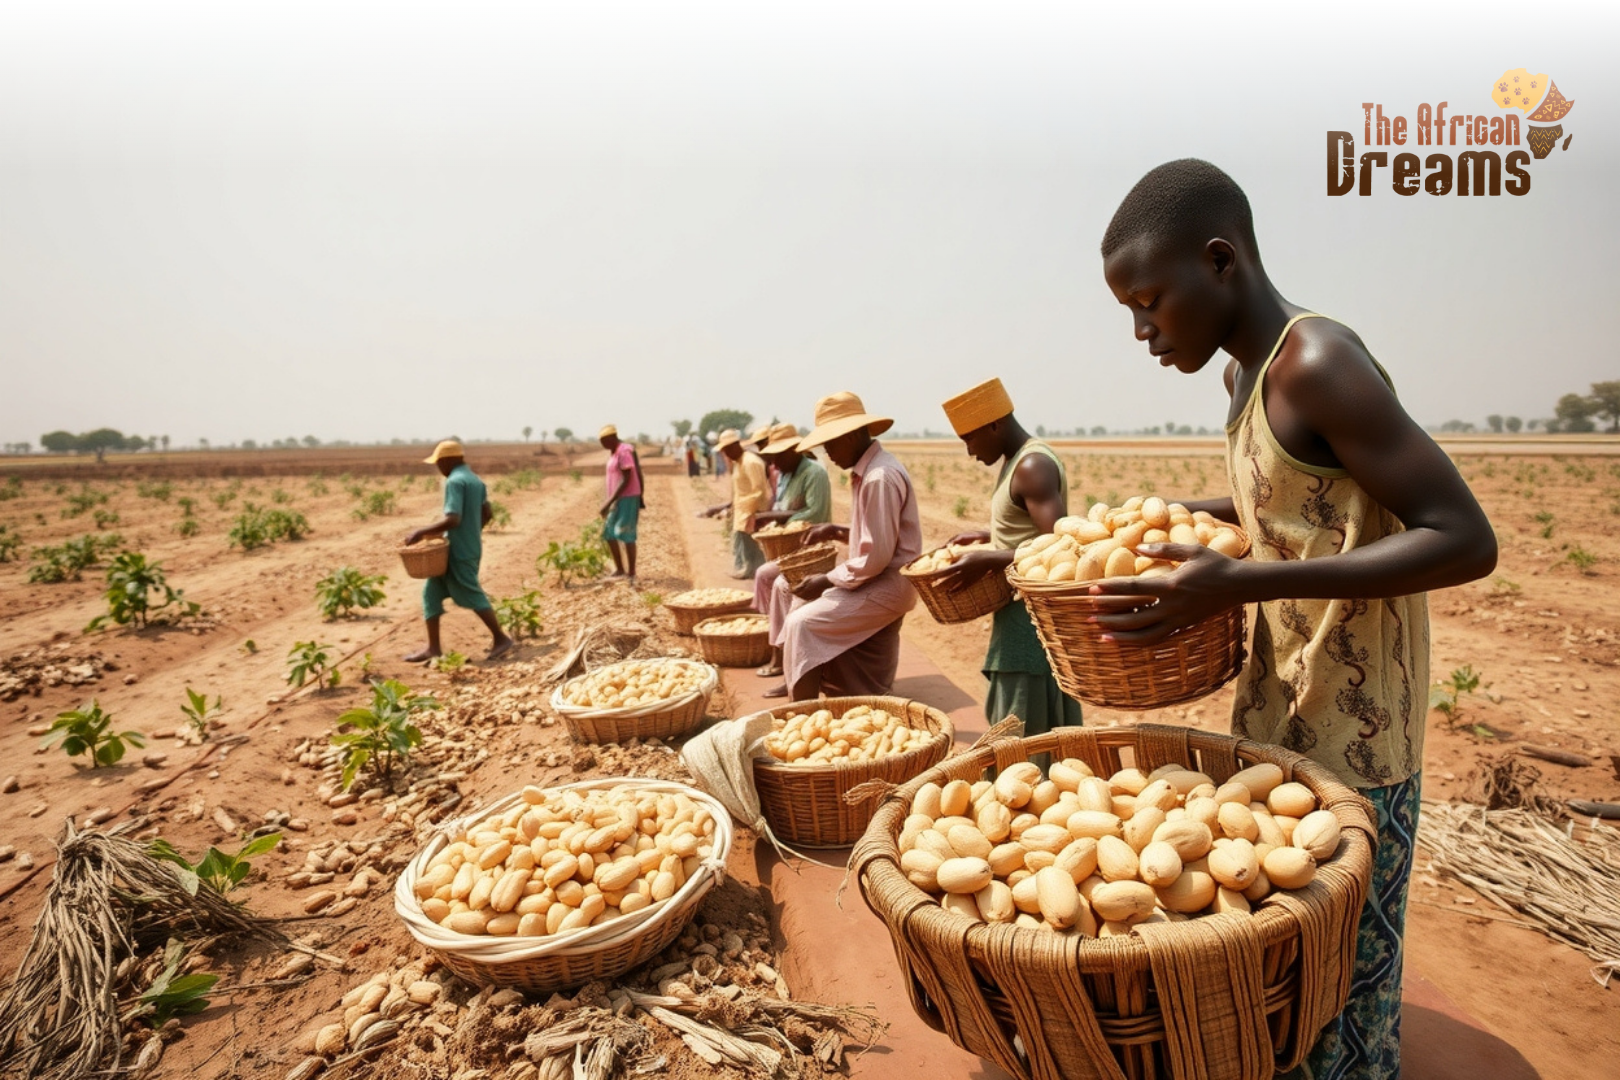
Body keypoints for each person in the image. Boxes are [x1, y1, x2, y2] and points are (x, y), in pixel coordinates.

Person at [1091, 159, 1497, 1080]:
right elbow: (1279, 506)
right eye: (1130, 313)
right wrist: (1139, 525)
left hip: (1362, 733)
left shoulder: (1316, 363)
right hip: (1281, 709)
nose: (1143, 332)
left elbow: (1465, 538)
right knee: (1282, 966)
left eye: (1149, 301)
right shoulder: (1240, 379)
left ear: (1221, 261)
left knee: (1348, 979)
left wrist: (1234, 588)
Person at [932, 377, 1082, 736]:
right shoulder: (1018, 460)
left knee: (1021, 728)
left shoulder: (1031, 466)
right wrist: (987, 536)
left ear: (995, 424)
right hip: (1018, 613)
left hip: (1027, 621)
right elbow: (1030, 528)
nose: (969, 451)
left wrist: (990, 559)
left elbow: (1057, 544)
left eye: (970, 438)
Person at [776, 392, 921, 700]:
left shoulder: (878, 478)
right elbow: (878, 535)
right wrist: (837, 530)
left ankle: (800, 716)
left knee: (802, 623)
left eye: (831, 443)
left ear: (854, 434)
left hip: (888, 584)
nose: (827, 452)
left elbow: (876, 557)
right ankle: (803, 686)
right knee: (798, 604)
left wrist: (827, 580)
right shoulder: (870, 471)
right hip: (875, 576)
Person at [403, 440, 515, 663]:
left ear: (447, 461)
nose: (439, 468)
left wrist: (421, 532)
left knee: (471, 592)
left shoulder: (455, 481)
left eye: (439, 463)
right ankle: (433, 648)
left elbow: (453, 519)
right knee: (431, 594)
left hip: (458, 551)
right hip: (468, 546)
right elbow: (488, 512)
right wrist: (472, 531)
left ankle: (501, 638)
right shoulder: (474, 479)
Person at [748, 422, 833, 682]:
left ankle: (780, 654)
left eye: (778, 455)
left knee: (766, 575)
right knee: (765, 577)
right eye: (771, 457)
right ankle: (776, 643)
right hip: (788, 549)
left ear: (795, 450)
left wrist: (774, 516)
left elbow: (815, 514)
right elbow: (783, 509)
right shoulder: (785, 475)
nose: (773, 463)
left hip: (811, 550)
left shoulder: (814, 473)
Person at [699, 429, 769, 579]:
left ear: (735, 446)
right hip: (741, 510)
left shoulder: (751, 462)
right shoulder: (738, 463)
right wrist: (733, 508)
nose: (725, 454)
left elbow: (759, 491)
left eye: (726, 450)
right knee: (741, 543)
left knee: (752, 545)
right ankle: (745, 569)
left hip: (751, 510)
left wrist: (749, 512)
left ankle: (753, 572)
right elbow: (739, 490)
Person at [598, 425, 645, 586]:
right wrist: (611, 500)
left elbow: (626, 478)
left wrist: (608, 501)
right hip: (617, 498)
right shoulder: (614, 452)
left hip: (628, 496)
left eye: (604, 442)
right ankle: (619, 570)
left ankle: (631, 573)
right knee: (609, 532)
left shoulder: (623, 451)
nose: (602, 445)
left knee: (626, 532)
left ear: (612, 438)